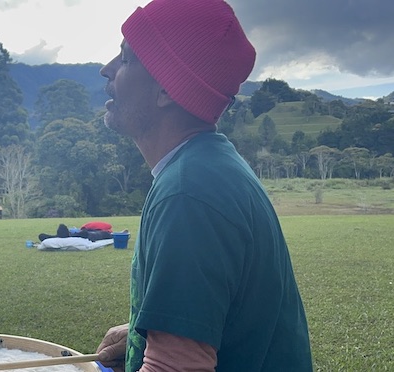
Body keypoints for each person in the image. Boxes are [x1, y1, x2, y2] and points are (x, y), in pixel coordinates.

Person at [95, 0, 313, 371]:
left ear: (167, 89)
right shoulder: (209, 169)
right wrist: (143, 334)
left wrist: (166, 355)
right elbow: (232, 314)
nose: (106, 70)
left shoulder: (188, 193)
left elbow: (177, 368)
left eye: (126, 58)